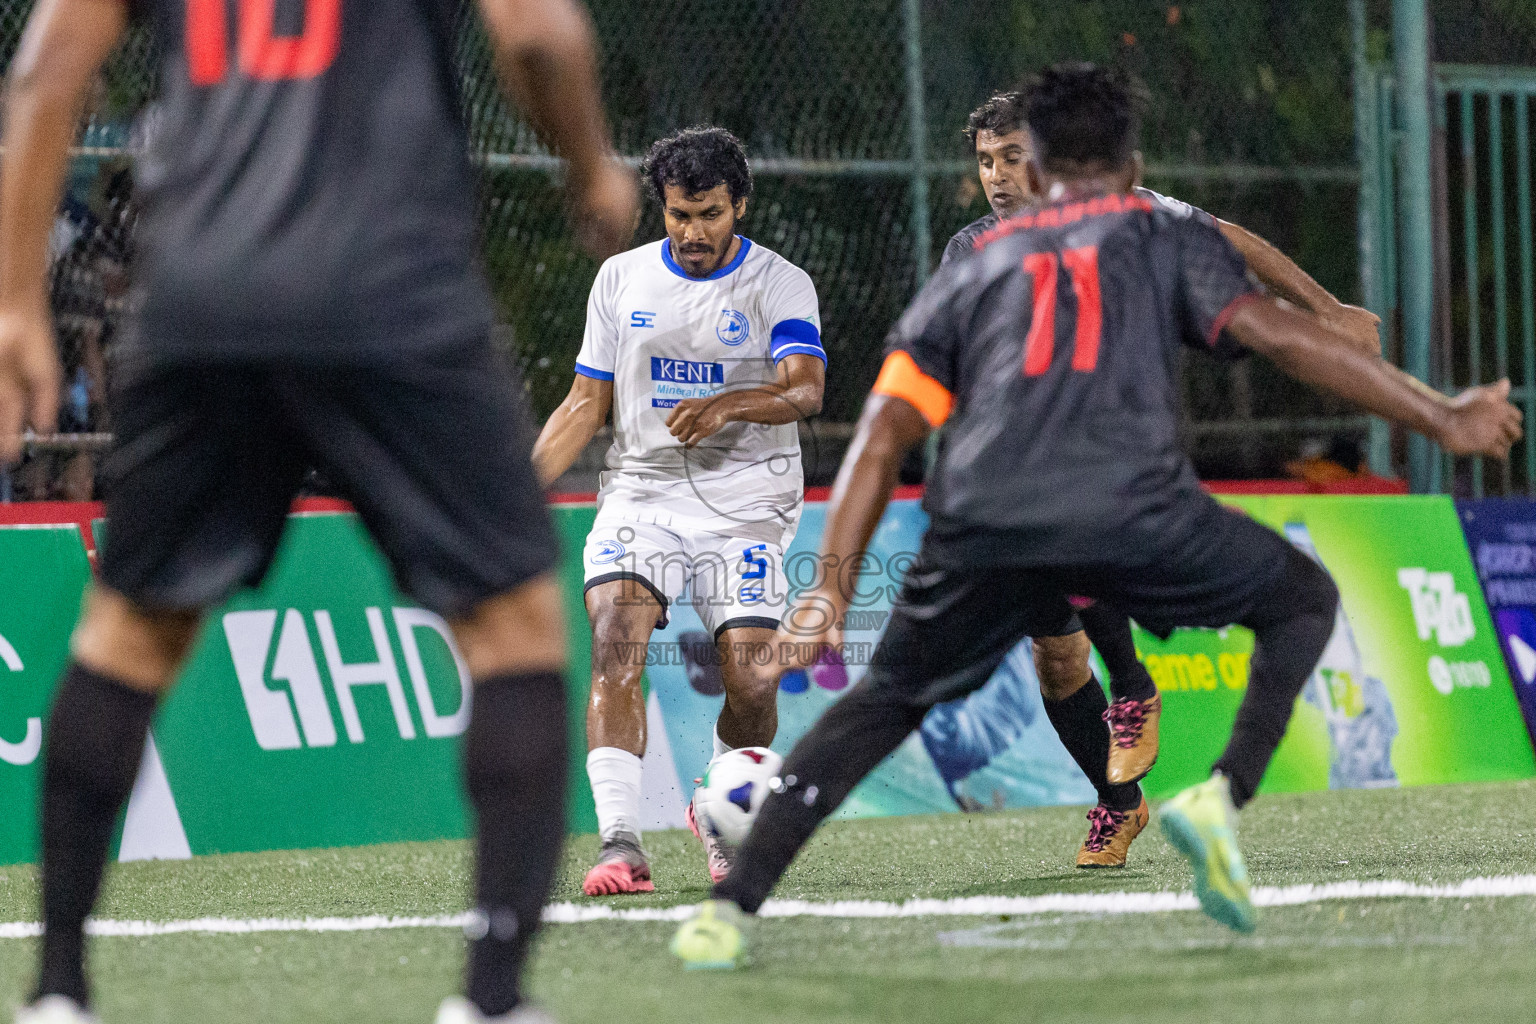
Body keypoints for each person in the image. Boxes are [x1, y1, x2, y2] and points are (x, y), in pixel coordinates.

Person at [670, 62, 1520, 966]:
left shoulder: (973, 264)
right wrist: (1439, 412)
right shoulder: (1158, 234)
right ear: (1131, 161)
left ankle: (732, 910)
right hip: (1135, 511)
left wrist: (829, 595)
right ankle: (1219, 795)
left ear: (1031, 166)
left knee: (883, 705)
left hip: (986, 526)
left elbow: (882, 433)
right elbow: (1286, 339)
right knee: (1303, 598)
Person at [0, 0, 637, 1019]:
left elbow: (43, 75)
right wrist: (590, 164)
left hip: (201, 298)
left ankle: (58, 991)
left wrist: (14, 301)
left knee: (127, 635)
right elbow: (539, 38)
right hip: (395, 289)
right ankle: (493, 996)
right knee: (513, 627)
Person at [932, 90, 1391, 866]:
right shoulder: (969, 248)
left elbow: (1229, 240)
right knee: (1055, 658)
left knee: (1085, 518)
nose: (998, 177)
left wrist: (1324, 305)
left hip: (1112, 452)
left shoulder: (1123, 208)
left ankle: (1136, 686)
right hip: (1019, 467)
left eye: (1013, 157)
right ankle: (1121, 802)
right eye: (985, 162)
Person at [531, 127, 826, 894]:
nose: (693, 233)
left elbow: (805, 389)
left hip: (748, 508)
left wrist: (731, 404)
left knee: (754, 684)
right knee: (615, 642)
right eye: (677, 215)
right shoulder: (621, 280)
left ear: (741, 205)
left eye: (710, 214)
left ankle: (720, 805)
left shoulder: (780, 284)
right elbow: (583, 404)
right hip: (643, 495)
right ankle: (621, 844)